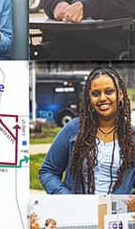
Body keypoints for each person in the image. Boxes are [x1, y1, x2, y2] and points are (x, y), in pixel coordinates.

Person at [39, 66, 135, 194]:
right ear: (89, 98)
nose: (102, 98)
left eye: (109, 92)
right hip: (76, 212)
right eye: (95, 94)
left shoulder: (132, 137)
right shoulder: (73, 129)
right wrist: (66, 198)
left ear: (121, 95)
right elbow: (48, 171)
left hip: (115, 213)